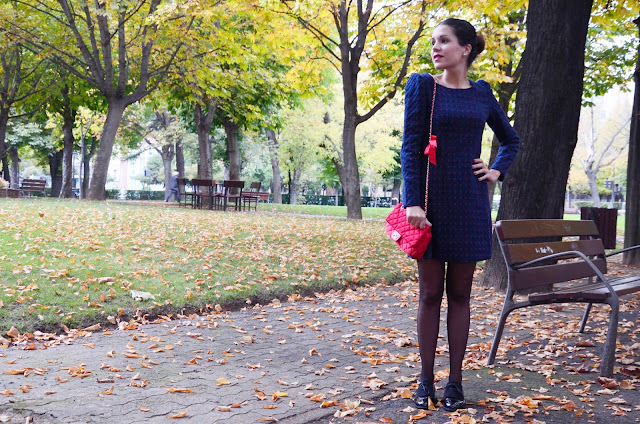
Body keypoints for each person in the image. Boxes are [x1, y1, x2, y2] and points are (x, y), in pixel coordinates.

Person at [401, 18, 520, 412]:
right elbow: (410, 148)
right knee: (430, 293)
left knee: (461, 295)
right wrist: (412, 202)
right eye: (434, 41)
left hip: (470, 204)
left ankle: (455, 382)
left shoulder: (483, 93)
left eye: (444, 41)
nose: (436, 47)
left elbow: (510, 138)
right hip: (431, 206)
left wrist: (496, 170)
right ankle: (425, 379)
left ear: (465, 48)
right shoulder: (422, 86)